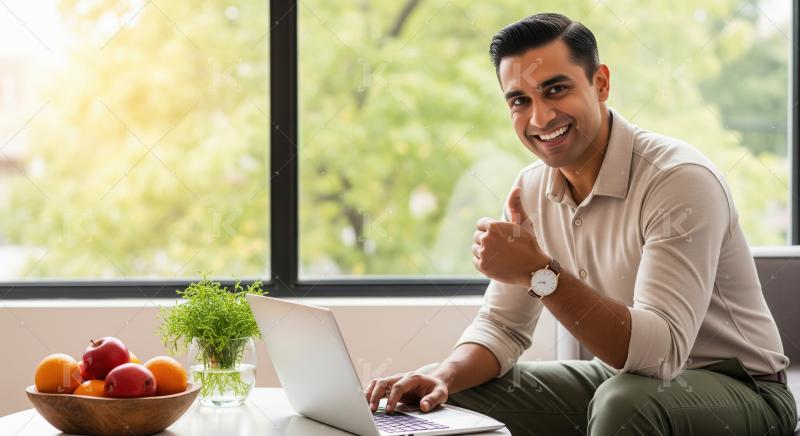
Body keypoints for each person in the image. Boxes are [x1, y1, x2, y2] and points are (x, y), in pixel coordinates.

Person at [363, 12, 798, 435]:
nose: (540, 118)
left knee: (623, 403)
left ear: (601, 83)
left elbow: (660, 354)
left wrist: (537, 272)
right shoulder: (530, 189)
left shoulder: (678, 180)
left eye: (555, 90)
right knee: (443, 397)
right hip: (621, 378)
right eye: (520, 100)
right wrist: (444, 376)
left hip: (745, 390)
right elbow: (502, 327)